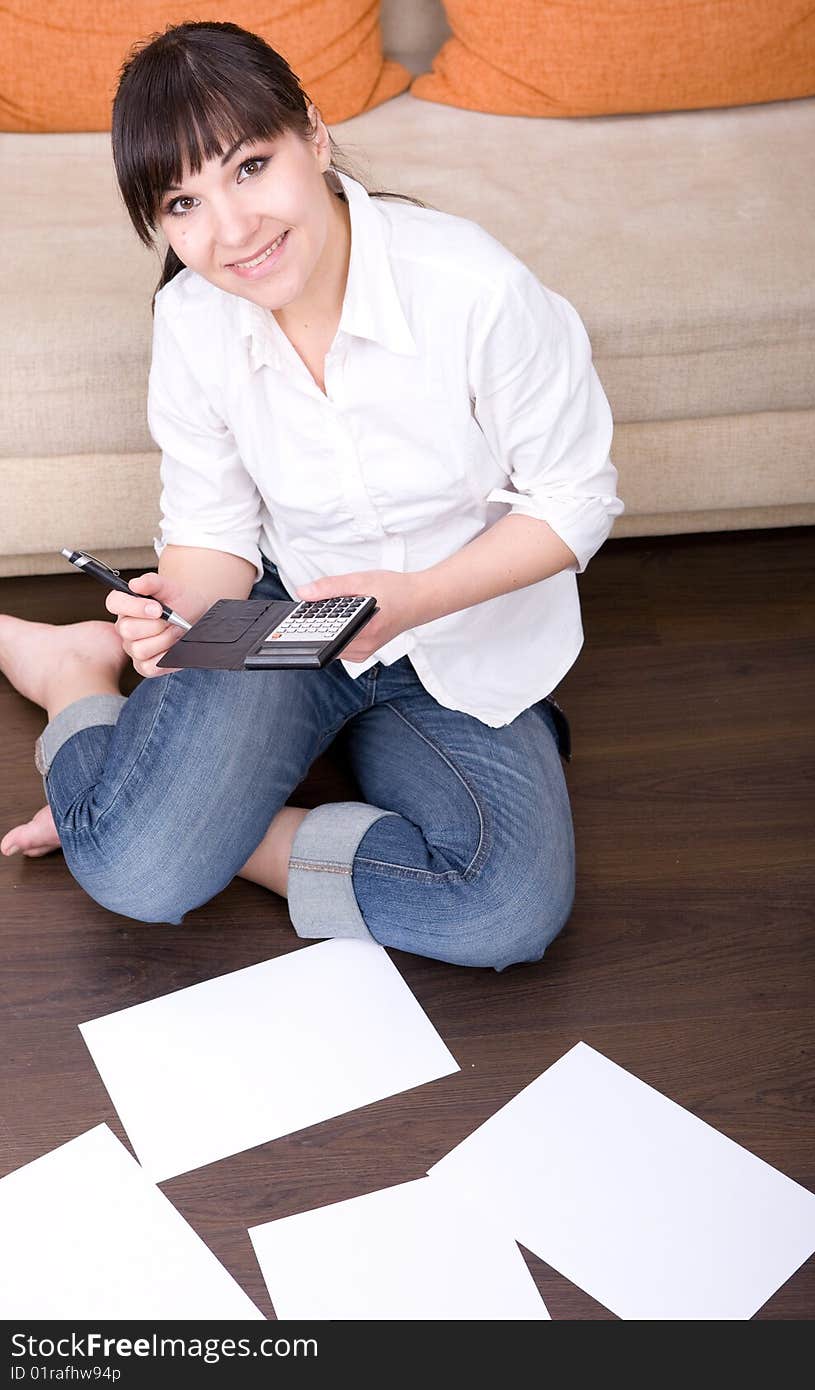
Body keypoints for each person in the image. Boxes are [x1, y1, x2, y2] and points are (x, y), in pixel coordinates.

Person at [0, 21, 623, 969]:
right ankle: (77, 678)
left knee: (507, 911)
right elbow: (211, 533)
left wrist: (413, 600)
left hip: (459, 639)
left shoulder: (474, 288)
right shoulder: (192, 321)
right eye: (184, 201)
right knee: (136, 878)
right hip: (289, 623)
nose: (232, 231)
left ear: (315, 136)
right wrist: (183, 615)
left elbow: (575, 500)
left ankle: (191, 818)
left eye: (250, 166)